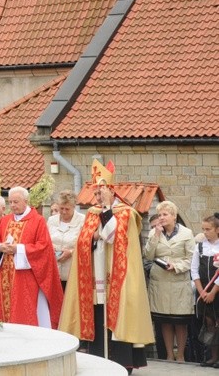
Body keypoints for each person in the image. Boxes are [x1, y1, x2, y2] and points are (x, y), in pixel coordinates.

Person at [59, 160, 154, 373]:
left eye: (101, 192)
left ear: (111, 191)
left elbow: (113, 236)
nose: (98, 197)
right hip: (96, 276)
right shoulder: (92, 213)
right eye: (96, 192)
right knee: (98, 318)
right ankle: (99, 363)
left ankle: (122, 365)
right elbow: (83, 240)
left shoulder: (127, 213)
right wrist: (91, 238)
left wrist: (108, 211)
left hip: (118, 278)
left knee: (119, 323)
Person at [0, 187, 63, 328]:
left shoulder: (37, 221)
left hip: (27, 278)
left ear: (26, 201)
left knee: (26, 313)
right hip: (5, 276)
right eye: (10, 202)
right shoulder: (5, 221)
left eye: (16, 202)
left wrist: (19, 249)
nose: (13, 205)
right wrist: (0, 247)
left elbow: (44, 247)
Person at [144, 200, 195, 362]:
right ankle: (169, 355)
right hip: (160, 282)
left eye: (165, 214)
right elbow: (148, 256)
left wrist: (177, 266)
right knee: (164, 320)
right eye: (159, 215)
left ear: (174, 216)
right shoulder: (154, 233)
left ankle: (180, 355)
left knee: (180, 321)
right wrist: (156, 235)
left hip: (179, 281)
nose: (161, 217)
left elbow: (192, 258)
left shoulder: (186, 233)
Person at [193, 214, 219, 367]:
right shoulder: (200, 246)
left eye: (208, 229)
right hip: (204, 291)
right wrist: (201, 291)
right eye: (203, 229)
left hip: (216, 291)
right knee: (210, 324)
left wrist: (213, 292)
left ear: (217, 229)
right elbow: (194, 269)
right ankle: (213, 357)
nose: (205, 232)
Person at [47, 190, 85, 291]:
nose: (63, 212)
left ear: (74, 206)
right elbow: (45, 241)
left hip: (73, 272)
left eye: (67, 209)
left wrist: (71, 252)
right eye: (61, 208)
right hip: (53, 272)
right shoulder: (51, 220)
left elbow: (86, 244)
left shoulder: (82, 221)